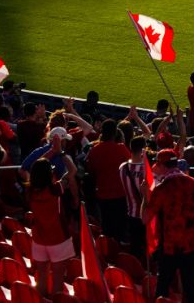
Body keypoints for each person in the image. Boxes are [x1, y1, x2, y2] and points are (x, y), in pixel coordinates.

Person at [144, 149, 194, 303]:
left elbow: (145, 218)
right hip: (191, 244)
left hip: (169, 247)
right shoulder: (192, 183)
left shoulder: (161, 189)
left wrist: (145, 197)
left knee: (163, 288)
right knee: (190, 288)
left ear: (161, 165)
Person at [28, 157, 76, 297]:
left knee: (41, 279)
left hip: (38, 239)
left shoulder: (30, 191)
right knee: (58, 281)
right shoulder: (55, 189)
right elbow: (72, 170)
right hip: (58, 238)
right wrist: (62, 153)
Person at [85, 118, 131, 242]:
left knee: (107, 227)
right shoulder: (121, 148)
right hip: (120, 195)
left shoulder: (94, 150)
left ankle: (108, 252)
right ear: (115, 133)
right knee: (120, 229)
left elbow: (91, 170)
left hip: (102, 196)